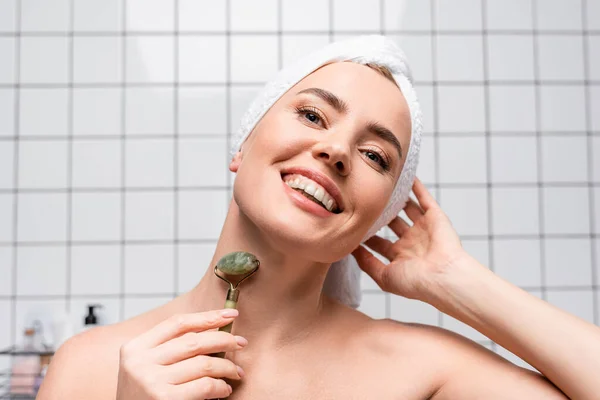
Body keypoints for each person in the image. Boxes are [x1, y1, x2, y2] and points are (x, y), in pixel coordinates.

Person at [37, 36, 599, 400]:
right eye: (311, 114)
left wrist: (457, 281)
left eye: (376, 157)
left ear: (379, 214)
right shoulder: (91, 368)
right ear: (242, 146)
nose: (336, 150)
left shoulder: (419, 370)